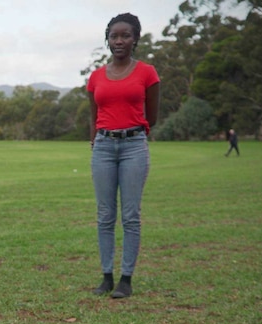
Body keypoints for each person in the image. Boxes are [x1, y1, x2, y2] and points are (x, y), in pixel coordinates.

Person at [87, 13, 160, 298]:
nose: (119, 41)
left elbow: (151, 116)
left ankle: (126, 279)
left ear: (135, 39)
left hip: (134, 146)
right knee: (105, 215)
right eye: (114, 36)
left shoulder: (147, 72)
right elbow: (93, 117)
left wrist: (133, 132)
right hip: (103, 148)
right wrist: (96, 142)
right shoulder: (95, 77)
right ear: (108, 39)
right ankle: (106, 276)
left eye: (125, 35)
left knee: (130, 216)